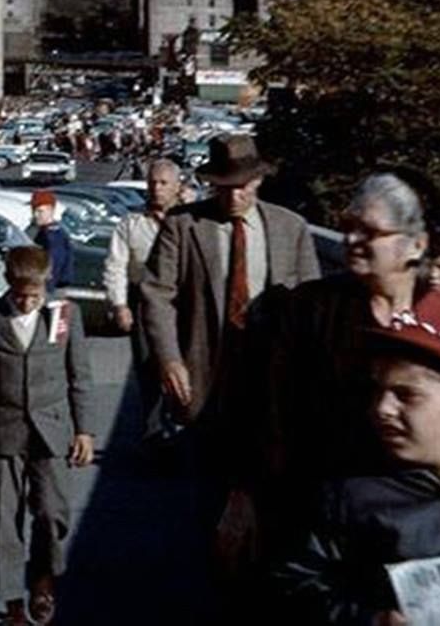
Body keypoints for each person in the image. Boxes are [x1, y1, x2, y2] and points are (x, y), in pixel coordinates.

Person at [140, 133, 322, 577]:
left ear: (259, 182)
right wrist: (169, 358)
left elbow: (312, 304)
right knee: (213, 493)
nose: (234, 195)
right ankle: (218, 579)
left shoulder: (289, 228)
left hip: (273, 385)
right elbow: (155, 294)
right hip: (209, 379)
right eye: (223, 187)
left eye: (242, 186)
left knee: (271, 493)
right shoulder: (185, 226)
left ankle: (260, 580)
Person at [262, 174, 433, 546]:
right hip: (322, 510)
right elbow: (270, 409)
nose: (352, 241)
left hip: (417, 517)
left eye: (370, 232)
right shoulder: (309, 309)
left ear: (415, 245)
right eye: (348, 228)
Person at [274, 288, 440, 623]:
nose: (382, 408)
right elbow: (297, 586)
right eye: (377, 390)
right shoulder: (351, 493)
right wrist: (368, 619)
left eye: (406, 395)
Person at [0, 245, 96, 626]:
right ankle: (13, 602)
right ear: (8, 284)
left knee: (50, 513)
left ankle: (44, 578)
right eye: (21, 295)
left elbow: (79, 376)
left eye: (36, 295)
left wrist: (84, 430)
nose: (29, 302)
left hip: (52, 430)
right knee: (5, 519)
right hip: (5, 431)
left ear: (46, 284)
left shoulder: (65, 315)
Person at [104, 159, 186, 444]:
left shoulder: (189, 221)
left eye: (164, 183)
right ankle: (153, 435)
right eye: (152, 182)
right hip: (144, 302)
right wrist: (119, 304)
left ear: (177, 187)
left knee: (185, 365)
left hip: (183, 302)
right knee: (148, 369)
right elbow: (116, 265)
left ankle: (183, 426)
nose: (157, 188)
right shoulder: (131, 223)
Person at [29, 191, 73, 292]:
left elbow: (54, 267)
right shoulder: (35, 229)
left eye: (40, 211)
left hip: (46, 290)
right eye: (33, 210)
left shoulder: (53, 236)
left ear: (51, 211)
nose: (35, 215)